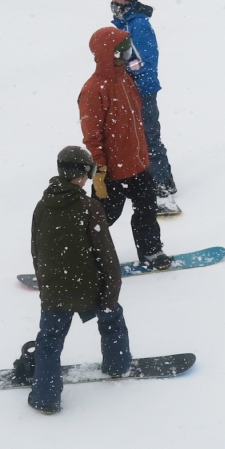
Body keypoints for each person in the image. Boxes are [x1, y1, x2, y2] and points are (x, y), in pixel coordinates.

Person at [17, 145, 131, 413]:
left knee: (49, 342)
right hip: (90, 287)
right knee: (112, 319)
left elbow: (37, 251)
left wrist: (47, 287)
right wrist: (110, 293)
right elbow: (107, 256)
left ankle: (46, 397)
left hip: (56, 290)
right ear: (81, 175)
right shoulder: (89, 207)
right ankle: (117, 365)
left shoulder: (42, 206)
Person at [79, 25, 169, 270]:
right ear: (109, 53)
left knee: (147, 210)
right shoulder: (93, 89)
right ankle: (81, 254)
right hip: (111, 171)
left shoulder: (126, 79)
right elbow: (91, 134)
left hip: (137, 164)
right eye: (123, 51)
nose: (128, 55)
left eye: (129, 50)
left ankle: (151, 251)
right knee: (104, 216)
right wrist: (100, 167)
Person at [110, 0, 179, 216]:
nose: (115, 3)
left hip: (143, 91)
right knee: (131, 137)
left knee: (149, 137)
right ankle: (141, 177)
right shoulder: (121, 23)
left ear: (130, 1)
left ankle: (163, 186)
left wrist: (124, 70)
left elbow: (145, 62)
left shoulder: (138, 25)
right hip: (127, 91)